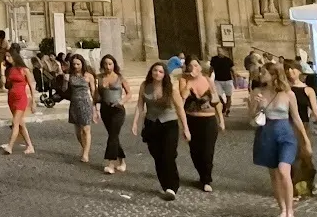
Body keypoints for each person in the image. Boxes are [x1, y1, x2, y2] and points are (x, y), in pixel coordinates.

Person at [251, 61, 313, 217]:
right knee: (274, 175)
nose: (260, 75)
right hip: (266, 134)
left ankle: (291, 212)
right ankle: (282, 210)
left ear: (273, 75)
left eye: (264, 72)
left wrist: (306, 140)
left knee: (283, 171)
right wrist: (256, 105)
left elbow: (297, 118)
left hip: (285, 134)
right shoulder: (259, 92)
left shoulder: (288, 94)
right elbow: (252, 118)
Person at [132, 61, 188, 200]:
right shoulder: (145, 86)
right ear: (151, 72)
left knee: (168, 155)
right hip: (152, 124)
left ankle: (172, 186)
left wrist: (186, 128)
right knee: (157, 156)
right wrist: (135, 123)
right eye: (155, 70)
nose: (157, 73)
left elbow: (180, 109)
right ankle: (165, 185)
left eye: (161, 71)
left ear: (165, 74)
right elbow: (140, 105)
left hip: (169, 124)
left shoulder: (171, 90)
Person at [178, 55, 226, 192]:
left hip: (209, 119)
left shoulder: (207, 80)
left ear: (200, 67)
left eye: (196, 65)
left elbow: (216, 101)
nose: (194, 68)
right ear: (187, 67)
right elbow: (183, 97)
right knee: (195, 151)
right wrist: (189, 83)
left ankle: (207, 179)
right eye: (191, 66)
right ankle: (201, 175)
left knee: (208, 151)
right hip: (192, 119)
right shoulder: (183, 80)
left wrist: (221, 120)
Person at [96, 54, 129, 175]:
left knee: (113, 135)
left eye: (110, 64)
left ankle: (110, 163)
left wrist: (122, 101)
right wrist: (95, 108)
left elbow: (129, 93)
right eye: (105, 64)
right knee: (113, 135)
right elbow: (97, 95)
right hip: (105, 109)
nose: (108, 66)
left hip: (118, 109)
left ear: (114, 64)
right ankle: (122, 161)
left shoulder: (119, 78)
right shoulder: (99, 78)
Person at [65, 53, 99, 164]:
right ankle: (84, 147)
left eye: (78, 64)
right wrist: (65, 80)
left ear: (82, 64)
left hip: (85, 103)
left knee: (86, 129)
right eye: (74, 64)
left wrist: (95, 108)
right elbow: (64, 90)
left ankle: (85, 153)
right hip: (74, 103)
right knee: (78, 132)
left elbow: (94, 92)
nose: (76, 66)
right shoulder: (70, 75)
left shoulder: (88, 76)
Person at [2, 46, 35, 155]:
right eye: (6, 56)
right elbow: (6, 85)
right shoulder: (10, 70)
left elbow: (31, 85)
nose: (7, 58)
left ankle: (10, 146)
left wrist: (33, 101)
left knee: (15, 122)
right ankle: (30, 146)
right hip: (11, 98)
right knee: (20, 124)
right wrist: (3, 73)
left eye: (9, 56)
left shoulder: (24, 70)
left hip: (21, 98)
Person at [209, 47, 236, 117]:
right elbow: (211, 69)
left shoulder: (228, 60)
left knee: (228, 96)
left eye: (220, 51)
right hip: (218, 81)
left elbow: (233, 71)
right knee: (218, 96)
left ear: (223, 52)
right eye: (218, 51)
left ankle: (227, 109)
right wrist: (209, 78)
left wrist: (235, 81)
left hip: (228, 80)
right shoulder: (214, 59)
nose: (219, 52)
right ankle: (223, 106)